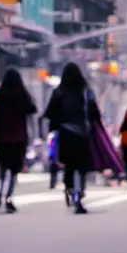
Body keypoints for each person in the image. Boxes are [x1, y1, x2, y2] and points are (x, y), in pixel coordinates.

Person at [43, 63, 96, 213]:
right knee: (81, 166)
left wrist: (54, 127)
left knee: (69, 165)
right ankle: (79, 192)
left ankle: (69, 188)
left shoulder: (59, 92)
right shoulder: (86, 92)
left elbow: (50, 113)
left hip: (65, 134)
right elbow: (94, 112)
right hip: (82, 134)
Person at [0, 68, 38, 212]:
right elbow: (33, 109)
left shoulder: (0, 95)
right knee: (14, 171)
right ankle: (9, 198)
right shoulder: (22, 94)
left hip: (1, 137)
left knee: (3, 168)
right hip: (18, 137)